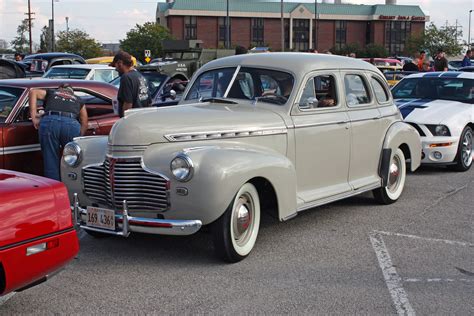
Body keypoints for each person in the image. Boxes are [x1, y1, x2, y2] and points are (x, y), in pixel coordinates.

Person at [29, 83, 88, 181]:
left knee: (50, 160)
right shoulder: (78, 99)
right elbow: (84, 122)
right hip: (71, 124)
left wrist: (34, 116)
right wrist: (78, 139)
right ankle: (72, 189)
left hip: (50, 121)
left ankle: (55, 190)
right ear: (71, 92)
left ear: (59, 89)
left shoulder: (52, 92)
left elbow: (33, 91)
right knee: (73, 161)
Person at [110, 51, 150, 117]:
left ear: (120, 63)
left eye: (115, 66)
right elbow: (149, 102)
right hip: (142, 118)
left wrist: (124, 121)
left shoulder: (126, 78)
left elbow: (128, 104)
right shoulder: (141, 76)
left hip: (132, 121)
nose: (116, 69)